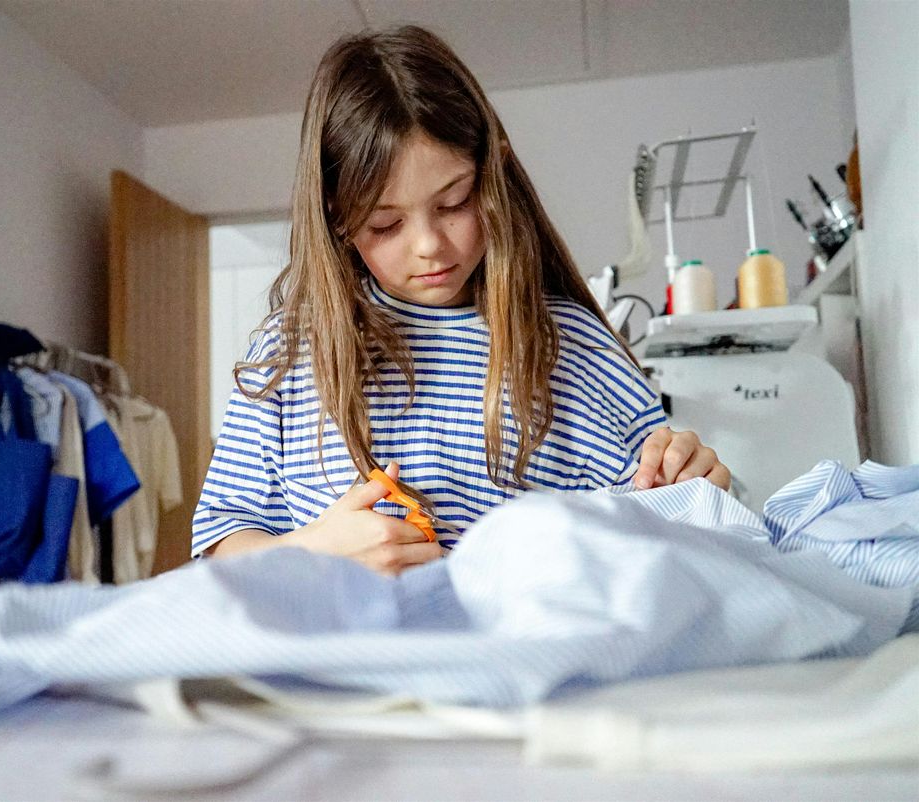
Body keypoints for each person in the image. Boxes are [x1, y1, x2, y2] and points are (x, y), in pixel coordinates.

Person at [192, 25, 730, 576]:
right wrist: (309, 555)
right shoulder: (291, 350)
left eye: (454, 202)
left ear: (493, 171)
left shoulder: (577, 349)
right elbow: (219, 540)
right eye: (385, 223)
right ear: (336, 218)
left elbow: (666, 524)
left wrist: (693, 484)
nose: (429, 246)